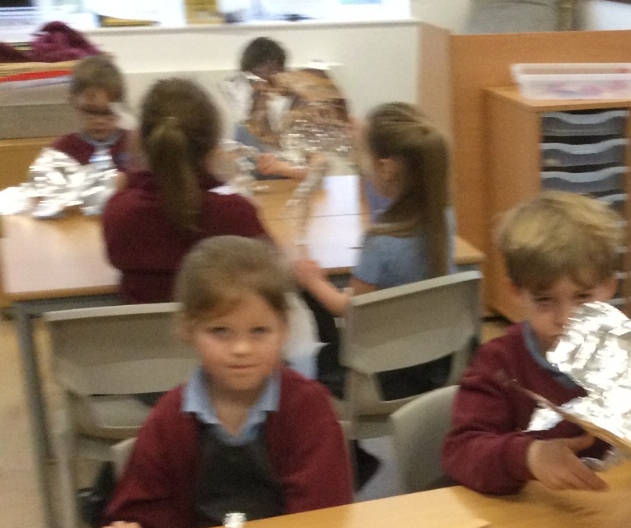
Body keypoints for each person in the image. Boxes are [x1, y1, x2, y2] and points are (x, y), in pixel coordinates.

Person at [441, 193, 631, 496]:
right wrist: (529, 456)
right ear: (516, 292)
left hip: (615, 511)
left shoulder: (629, 350)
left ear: (608, 286)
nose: (566, 319)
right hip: (536, 516)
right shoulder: (500, 364)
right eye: (544, 300)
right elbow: (462, 450)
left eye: (582, 297)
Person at [99, 236, 352, 528]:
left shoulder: (307, 408)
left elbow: (323, 518)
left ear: (284, 330)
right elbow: (143, 516)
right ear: (189, 329)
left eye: (259, 331)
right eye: (220, 331)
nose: (241, 349)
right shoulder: (169, 419)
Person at [289, 104, 456, 401]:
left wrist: (313, 281)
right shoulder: (443, 218)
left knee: (303, 345)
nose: (362, 167)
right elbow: (388, 193)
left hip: (383, 373)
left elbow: (351, 311)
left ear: (387, 168)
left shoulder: (380, 242)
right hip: (437, 361)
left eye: (365, 159)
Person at [102, 78, 266, 303]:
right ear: (213, 145)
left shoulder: (119, 213)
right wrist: (220, 177)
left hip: (145, 327)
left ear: (142, 140)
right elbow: (272, 274)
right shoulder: (237, 214)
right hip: (220, 326)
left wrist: (130, 180)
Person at [232, 35, 308, 181]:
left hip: (295, 185)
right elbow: (239, 174)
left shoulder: (298, 111)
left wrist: (281, 167)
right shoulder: (244, 125)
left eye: (269, 80)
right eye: (254, 81)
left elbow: (316, 170)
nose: (262, 89)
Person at [49, 55, 133, 172]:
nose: (99, 121)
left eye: (108, 112)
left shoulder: (133, 145)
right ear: (72, 102)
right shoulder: (63, 150)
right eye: (90, 112)